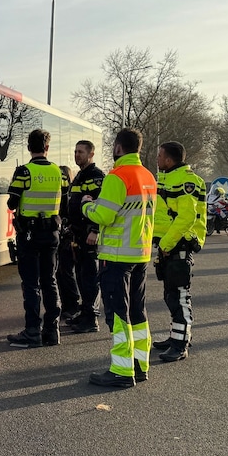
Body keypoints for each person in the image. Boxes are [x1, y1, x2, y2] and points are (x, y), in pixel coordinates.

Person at [81, 128, 157, 387]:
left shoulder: (117, 177)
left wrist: (86, 204)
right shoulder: (147, 176)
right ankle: (139, 365)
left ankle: (122, 372)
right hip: (140, 253)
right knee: (138, 312)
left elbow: (104, 215)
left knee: (118, 314)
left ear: (118, 147)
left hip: (116, 256)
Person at [6, 129, 69, 348]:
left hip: (29, 235)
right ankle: (52, 331)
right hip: (51, 234)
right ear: (47, 148)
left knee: (31, 284)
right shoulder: (59, 173)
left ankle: (32, 331)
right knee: (50, 281)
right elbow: (66, 204)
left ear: (28, 147)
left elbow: (12, 203)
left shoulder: (23, 172)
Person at [151, 141, 206, 362]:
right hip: (168, 246)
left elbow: (186, 218)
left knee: (180, 296)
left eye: (160, 155)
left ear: (169, 159)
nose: (157, 159)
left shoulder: (187, 181)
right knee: (170, 295)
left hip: (178, 246)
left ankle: (181, 344)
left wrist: (166, 243)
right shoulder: (167, 178)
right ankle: (176, 336)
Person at [66, 140, 105, 334]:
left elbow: (101, 206)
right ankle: (85, 312)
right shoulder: (80, 176)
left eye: (80, 152)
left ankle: (91, 318)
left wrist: (95, 230)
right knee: (81, 275)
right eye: (75, 151)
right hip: (77, 234)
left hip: (89, 235)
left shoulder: (96, 177)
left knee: (90, 277)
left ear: (91, 154)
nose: (76, 155)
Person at [56, 165, 82, 322]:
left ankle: (72, 304)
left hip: (68, 237)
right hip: (65, 236)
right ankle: (68, 304)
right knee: (62, 273)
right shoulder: (66, 193)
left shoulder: (70, 194)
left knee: (66, 272)